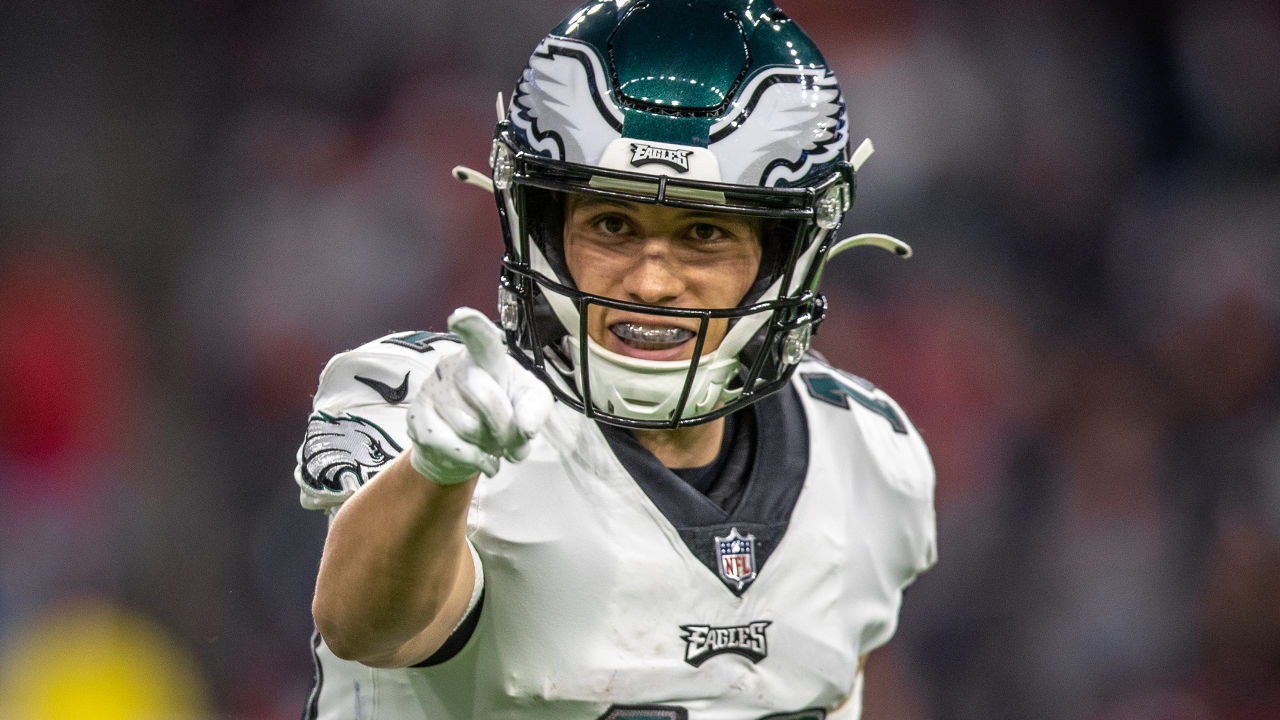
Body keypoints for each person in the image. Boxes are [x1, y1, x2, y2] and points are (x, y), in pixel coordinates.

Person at [294, 2, 936, 718]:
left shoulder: (870, 454)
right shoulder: (438, 405)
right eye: (610, 223)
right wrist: (437, 471)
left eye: (703, 232)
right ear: (540, 224)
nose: (652, 282)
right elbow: (366, 626)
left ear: (785, 254)